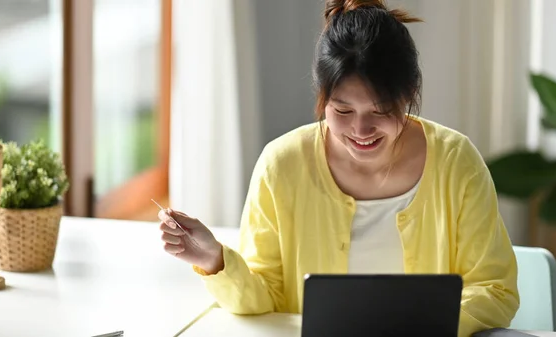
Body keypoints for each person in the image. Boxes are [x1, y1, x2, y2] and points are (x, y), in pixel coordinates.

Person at [158, 0, 520, 336]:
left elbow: (495, 290)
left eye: (379, 111)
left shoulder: (457, 162)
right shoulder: (281, 165)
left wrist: (414, 328)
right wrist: (214, 258)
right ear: (321, 97)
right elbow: (264, 295)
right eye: (342, 112)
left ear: (409, 94)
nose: (360, 132)